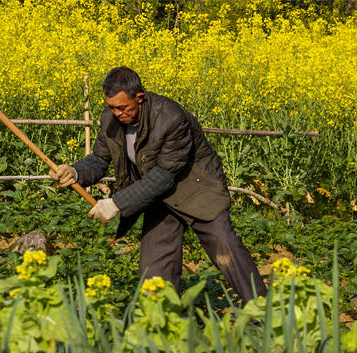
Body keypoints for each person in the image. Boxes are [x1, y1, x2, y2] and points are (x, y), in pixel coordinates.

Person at [49, 66, 266, 303]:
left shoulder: (170, 117)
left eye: (122, 107)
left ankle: (263, 310)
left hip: (197, 189)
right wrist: (75, 172)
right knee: (154, 268)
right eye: (111, 107)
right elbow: (100, 160)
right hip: (158, 196)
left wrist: (116, 204)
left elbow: (164, 174)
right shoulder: (110, 120)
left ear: (139, 97)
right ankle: (158, 324)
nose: (116, 113)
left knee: (226, 248)